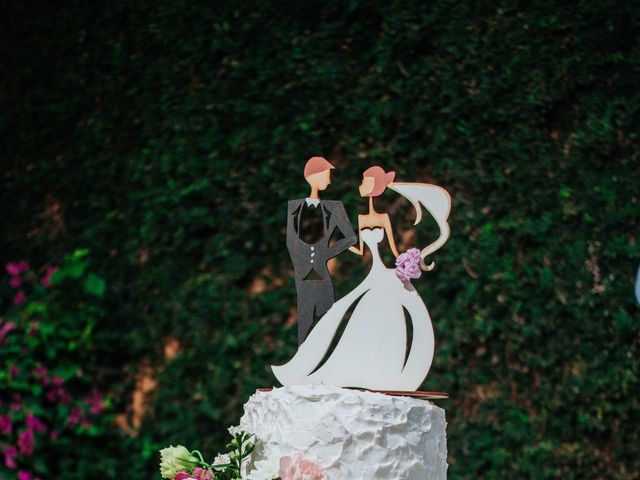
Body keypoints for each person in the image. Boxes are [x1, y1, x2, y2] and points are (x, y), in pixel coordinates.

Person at [273, 166, 451, 391]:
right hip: (373, 271)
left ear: (374, 186)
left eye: (364, 182)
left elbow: (393, 249)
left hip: (384, 272)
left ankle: (388, 367)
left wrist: (410, 261)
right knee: (343, 311)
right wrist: (336, 247)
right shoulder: (361, 218)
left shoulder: (383, 217)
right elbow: (358, 248)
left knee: (385, 313)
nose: (360, 186)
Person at [286, 157, 357, 345]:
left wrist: (324, 254)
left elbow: (350, 238)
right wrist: (304, 264)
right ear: (313, 177)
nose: (330, 181)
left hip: (322, 274)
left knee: (327, 319)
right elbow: (291, 242)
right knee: (305, 322)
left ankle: (327, 361)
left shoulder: (335, 207)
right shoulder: (294, 208)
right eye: (326, 176)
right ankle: (303, 365)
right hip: (303, 275)